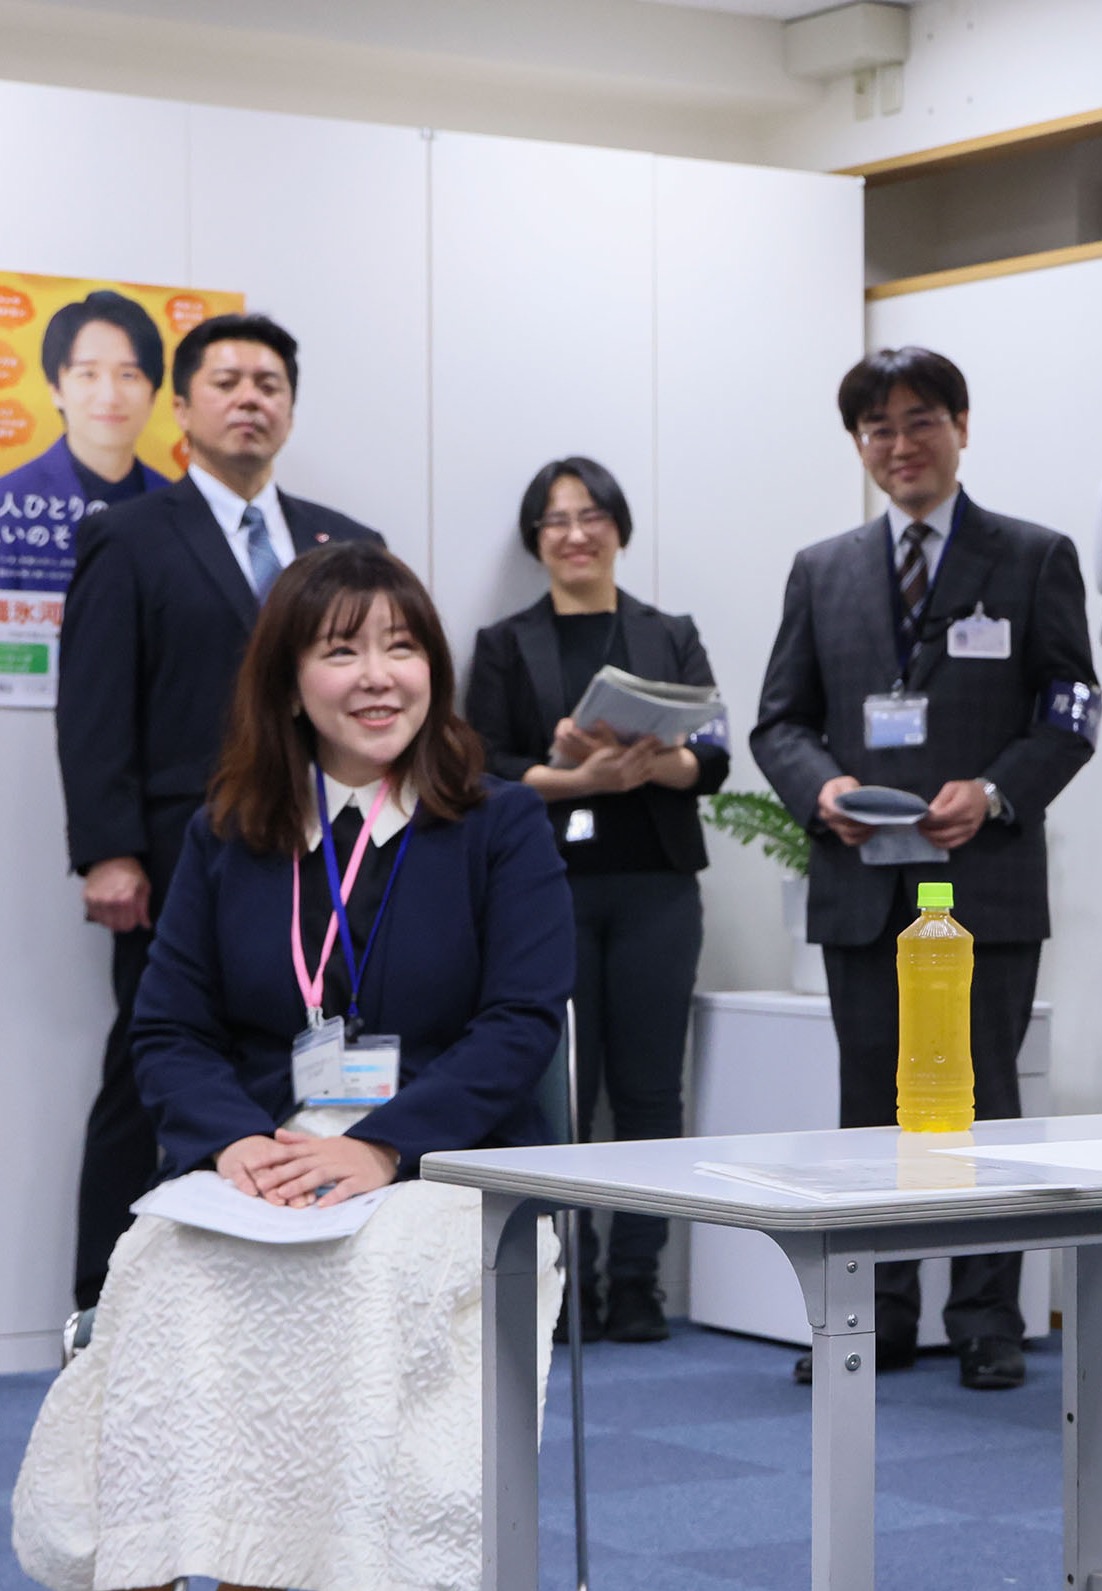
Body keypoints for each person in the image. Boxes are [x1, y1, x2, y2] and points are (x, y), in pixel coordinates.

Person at [13, 541, 573, 1591]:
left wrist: (382, 1147)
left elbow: (518, 1025)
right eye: (341, 650)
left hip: (443, 1165)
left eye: (402, 647)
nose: (377, 676)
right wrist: (233, 1143)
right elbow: (170, 1027)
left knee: (358, 1271)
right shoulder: (229, 831)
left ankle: (340, 1567)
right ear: (286, 682)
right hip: (265, 1159)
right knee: (162, 1256)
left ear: (434, 671)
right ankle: (192, 1557)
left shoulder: (501, 825)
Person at [754, 347, 1099, 1391]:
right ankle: (876, 1314)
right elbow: (779, 721)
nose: (899, 446)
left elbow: (1072, 709)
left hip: (981, 875)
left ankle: (988, 1317)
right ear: (859, 446)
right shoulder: (822, 569)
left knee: (986, 1101)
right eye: (877, 430)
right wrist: (820, 790)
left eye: (918, 423)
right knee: (872, 1103)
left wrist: (993, 791)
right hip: (863, 883)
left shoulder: (1033, 556)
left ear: (959, 425)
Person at [53, 311, 383, 1313]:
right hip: (174, 855)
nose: (250, 398)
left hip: (331, 850)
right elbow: (96, 704)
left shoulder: (344, 543)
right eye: (228, 381)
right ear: (183, 406)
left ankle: (293, 1276)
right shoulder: (128, 535)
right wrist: (109, 852)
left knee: (329, 1050)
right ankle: (105, 1302)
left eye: (270, 384)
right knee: (150, 1068)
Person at [467, 455, 729, 1342]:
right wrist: (579, 778)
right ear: (534, 540)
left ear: (619, 528)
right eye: (554, 520)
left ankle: (636, 1282)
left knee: (651, 1091)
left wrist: (657, 764)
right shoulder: (505, 643)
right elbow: (483, 765)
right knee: (560, 1094)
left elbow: (716, 756)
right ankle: (559, 1281)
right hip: (546, 888)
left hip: (657, 884)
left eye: (591, 516)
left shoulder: (670, 632)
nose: (575, 534)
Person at [0, 289, 171, 529]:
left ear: (153, 392)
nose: (109, 396)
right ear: (56, 389)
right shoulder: (8, 499)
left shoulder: (179, 506)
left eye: (128, 375)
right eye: (88, 374)